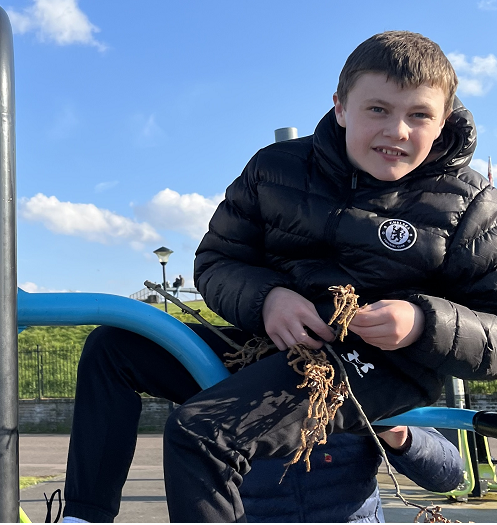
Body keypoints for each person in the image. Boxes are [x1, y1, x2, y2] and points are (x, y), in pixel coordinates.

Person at [63, 30, 496, 522]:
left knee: (203, 433)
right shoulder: (276, 169)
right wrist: (268, 298)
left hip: (381, 364)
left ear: (441, 123)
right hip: (275, 343)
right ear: (340, 108)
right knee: (113, 347)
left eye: (419, 115)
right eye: (377, 109)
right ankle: (83, 515)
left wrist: (421, 321)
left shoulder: (471, 203)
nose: (397, 130)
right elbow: (216, 262)